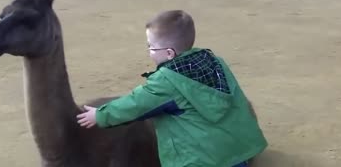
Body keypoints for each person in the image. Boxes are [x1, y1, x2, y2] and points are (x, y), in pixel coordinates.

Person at [76, 10, 268, 167]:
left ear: (168, 53)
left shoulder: (166, 82)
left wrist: (100, 115)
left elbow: (135, 104)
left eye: (150, 46)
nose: (148, 51)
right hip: (240, 153)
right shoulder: (215, 62)